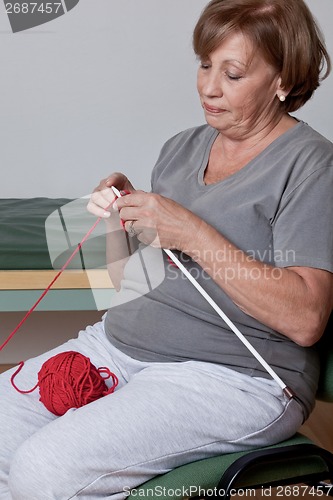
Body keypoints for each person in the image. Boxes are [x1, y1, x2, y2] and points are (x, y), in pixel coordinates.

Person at [1, 0, 332, 498]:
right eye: (204, 64)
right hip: (117, 346)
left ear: (283, 80)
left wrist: (193, 232)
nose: (208, 87)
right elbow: (129, 286)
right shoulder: (180, 148)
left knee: (45, 470)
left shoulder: (312, 166)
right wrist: (119, 220)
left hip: (233, 379)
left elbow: (307, 318)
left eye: (233, 73)